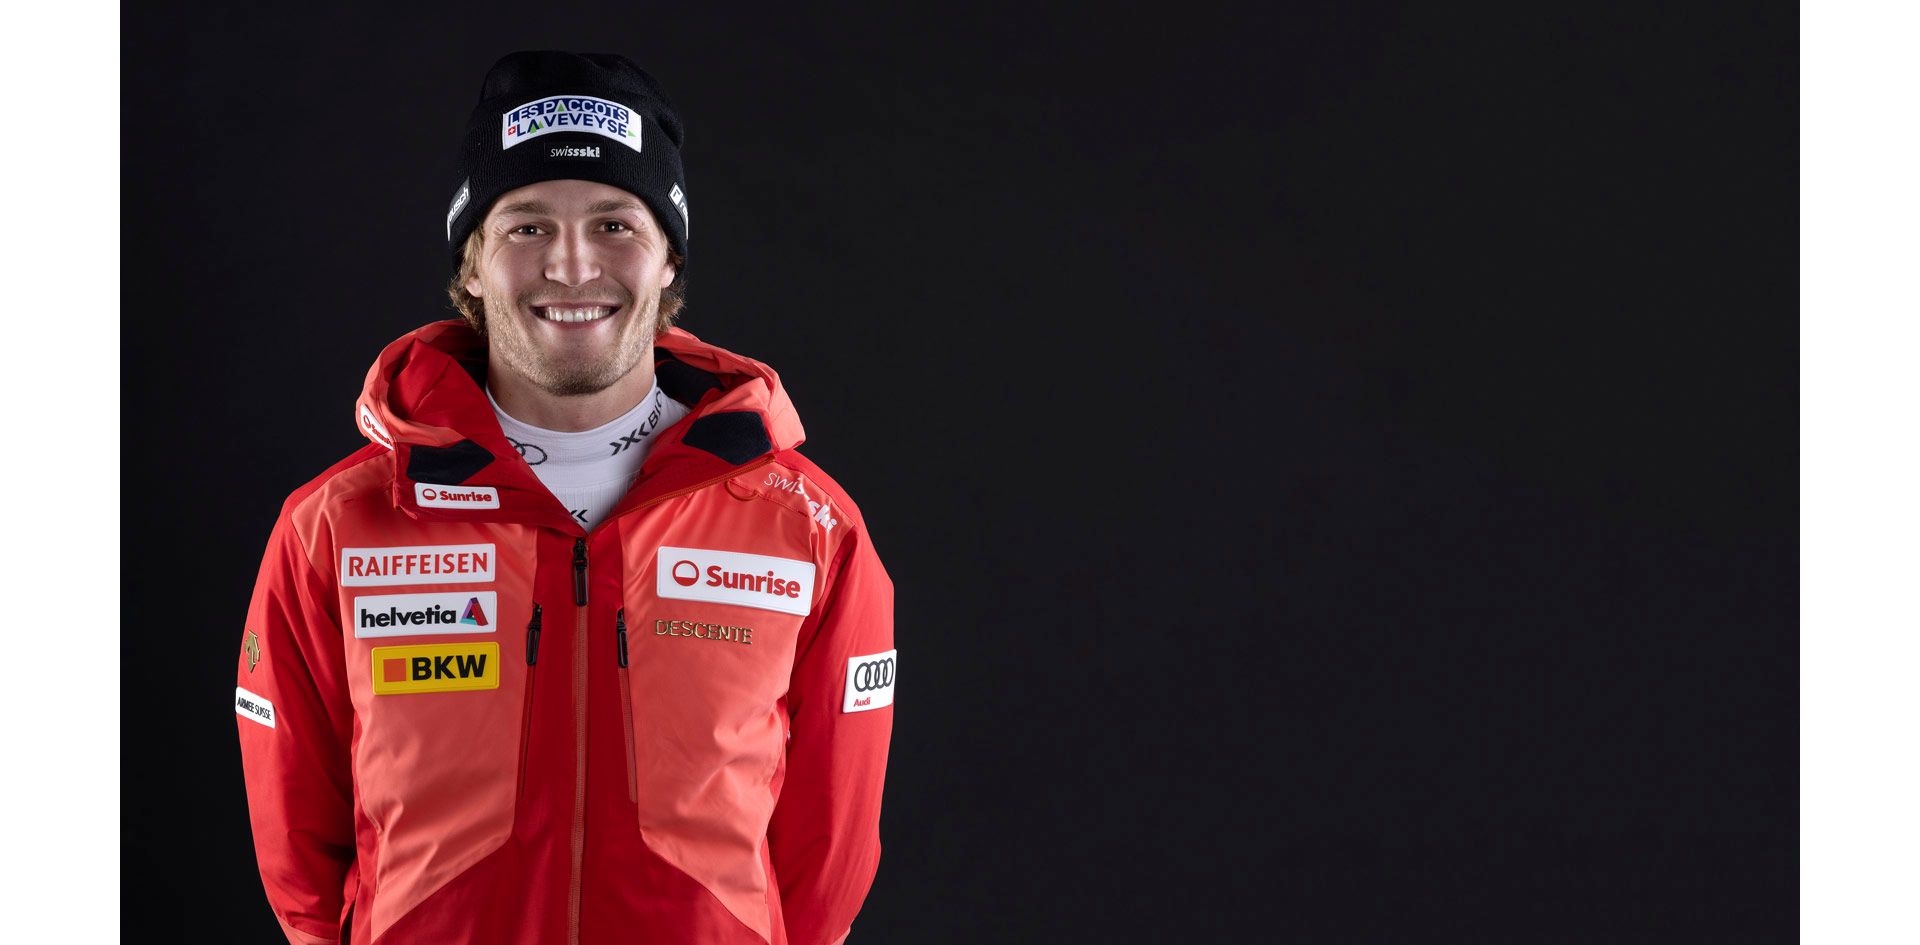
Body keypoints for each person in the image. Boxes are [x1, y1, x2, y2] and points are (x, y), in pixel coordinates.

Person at [233, 50, 896, 945]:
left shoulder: (808, 530)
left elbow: (826, 869)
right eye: (528, 226)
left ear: (668, 261)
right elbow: (301, 865)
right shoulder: (336, 527)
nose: (574, 265)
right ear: (473, 265)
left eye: (616, 224)